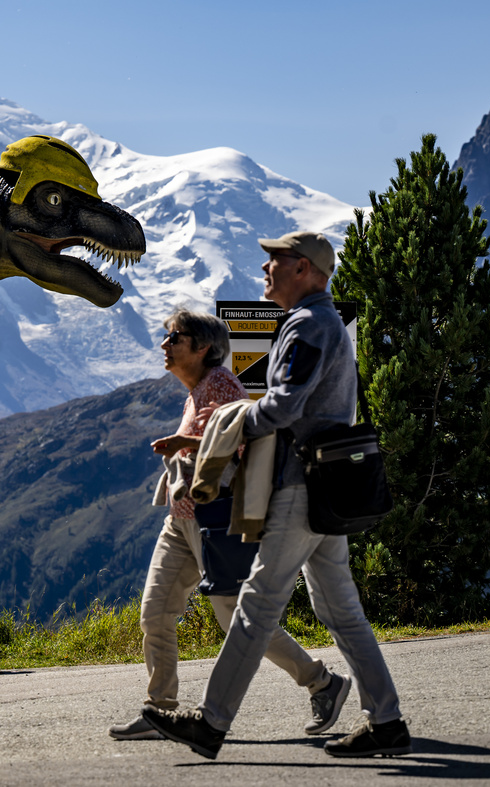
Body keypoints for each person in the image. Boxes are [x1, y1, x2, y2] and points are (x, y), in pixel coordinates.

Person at [142, 231, 410, 759]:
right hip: (325, 488)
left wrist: (234, 417)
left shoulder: (309, 325)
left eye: (276, 260)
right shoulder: (323, 324)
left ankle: (211, 722)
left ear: (305, 269)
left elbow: (285, 406)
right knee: (342, 611)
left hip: (301, 486)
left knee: (256, 603)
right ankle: (386, 721)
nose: (266, 269)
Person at [109, 307, 347, 742]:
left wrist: (184, 443)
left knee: (236, 620)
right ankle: (160, 709)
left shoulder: (222, 386)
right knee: (156, 613)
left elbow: (243, 443)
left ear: (203, 347)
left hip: (214, 524)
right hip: (181, 522)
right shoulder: (196, 390)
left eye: (174, 338)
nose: (165, 345)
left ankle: (322, 683)